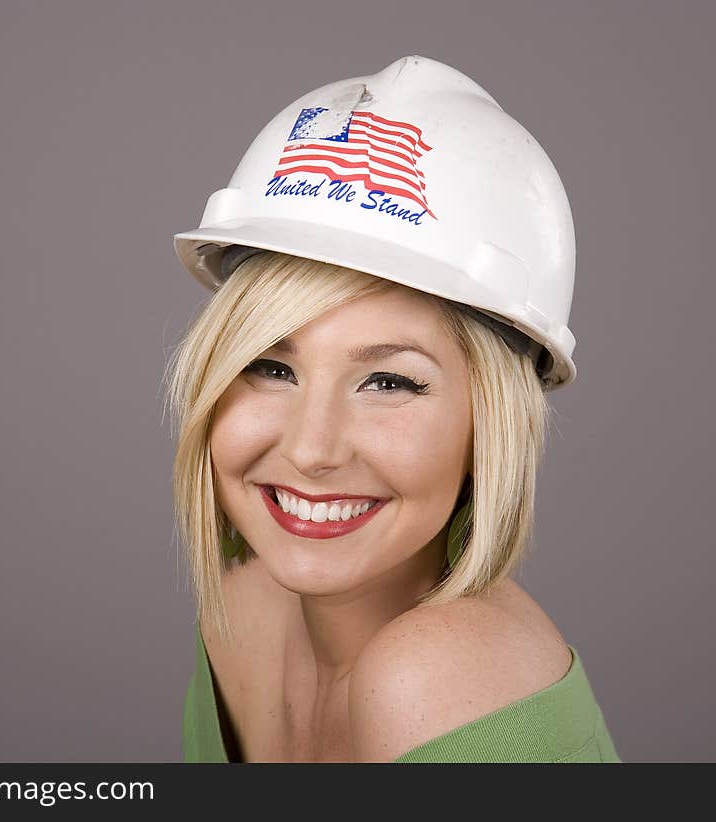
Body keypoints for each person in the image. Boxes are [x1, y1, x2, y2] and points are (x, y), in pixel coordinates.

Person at [166, 56, 621, 763]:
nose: (312, 448)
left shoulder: (442, 680)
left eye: (388, 382)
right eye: (270, 366)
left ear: (490, 425)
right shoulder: (241, 614)